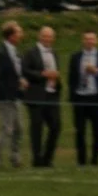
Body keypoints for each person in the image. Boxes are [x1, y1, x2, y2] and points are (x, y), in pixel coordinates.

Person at [68, 29, 98, 167]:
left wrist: (97, 71)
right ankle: (81, 161)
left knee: (97, 131)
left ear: (96, 40)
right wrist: (73, 96)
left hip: (96, 98)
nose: (89, 41)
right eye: (87, 39)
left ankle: (95, 160)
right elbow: (71, 78)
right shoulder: (76, 57)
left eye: (92, 39)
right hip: (80, 98)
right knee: (80, 131)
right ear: (83, 40)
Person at [22, 24, 63, 168]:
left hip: (52, 95)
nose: (47, 39)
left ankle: (47, 158)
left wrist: (56, 78)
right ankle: (37, 159)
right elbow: (25, 70)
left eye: (50, 36)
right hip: (36, 95)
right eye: (45, 36)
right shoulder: (30, 53)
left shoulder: (54, 53)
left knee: (56, 126)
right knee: (37, 128)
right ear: (39, 37)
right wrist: (42, 74)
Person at [0, 20, 25, 168]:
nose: (21, 35)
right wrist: (5, 95)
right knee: (7, 128)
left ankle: (15, 156)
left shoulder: (16, 52)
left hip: (16, 96)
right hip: (4, 98)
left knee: (19, 128)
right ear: (11, 36)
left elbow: (15, 73)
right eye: (18, 33)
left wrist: (20, 82)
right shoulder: (0, 53)